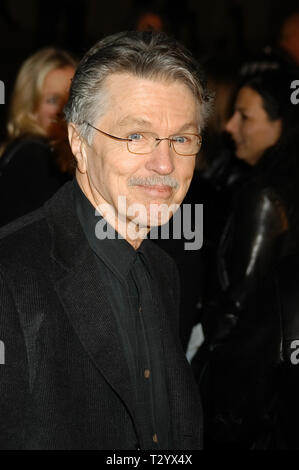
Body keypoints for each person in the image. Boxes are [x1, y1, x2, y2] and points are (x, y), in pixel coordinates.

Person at [0, 30, 212, 450]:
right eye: (136, 136)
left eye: (182, 139)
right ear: (79, 142)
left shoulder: (162, 268)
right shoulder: (10, 277)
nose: (164, 162)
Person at [192, 63, 299, 449]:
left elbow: (241, 297)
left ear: (282, 124)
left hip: (253, 390)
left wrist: (200, 361)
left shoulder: (265, 196)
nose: (230, 127)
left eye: (245, 116)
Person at [0, 47, 77, 226]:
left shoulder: (58, 157)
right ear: (29, 104)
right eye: (53, 100)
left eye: (71, 99)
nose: (63, 110)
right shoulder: (33, 156)